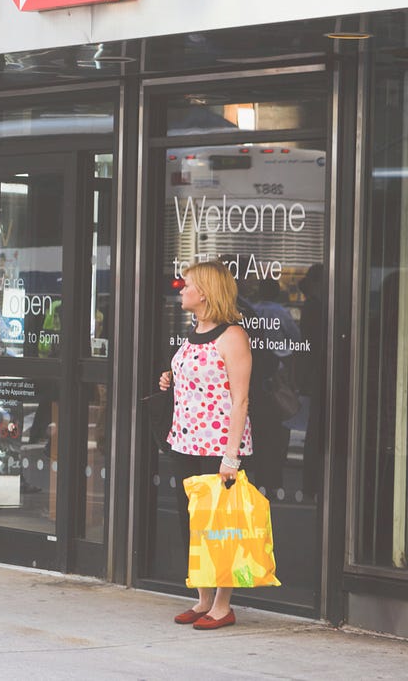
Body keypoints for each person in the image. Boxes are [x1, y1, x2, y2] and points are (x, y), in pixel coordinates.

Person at [157, 259, 253, 631]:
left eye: (189, 284)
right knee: (192, 523)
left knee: (221, 526)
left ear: (207, 292)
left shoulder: (232, 336)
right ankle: (202, 599)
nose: (182, 289)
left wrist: (231, 456)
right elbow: (197, 377)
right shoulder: (194, 331)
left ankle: (223, 605)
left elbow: (240, 399)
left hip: (218, 447)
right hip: (185, 441)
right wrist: (171, 376)